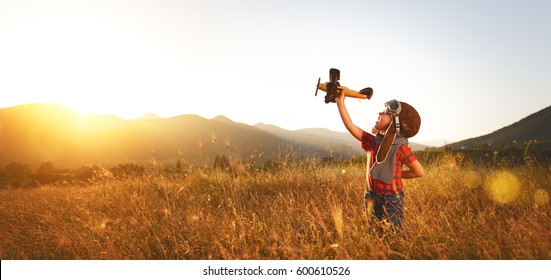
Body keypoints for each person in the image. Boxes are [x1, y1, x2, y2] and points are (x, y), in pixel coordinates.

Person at [335, 93, 424, 230]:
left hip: (391, 200)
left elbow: (419, 172)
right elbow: (351, 126)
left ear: (397, 122)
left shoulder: (401, 148)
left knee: (392, 235)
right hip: (371, 196)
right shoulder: (373, 142)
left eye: (385, 113)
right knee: (373, 232)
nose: (379, 113)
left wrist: (398, 174)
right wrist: (340, 103)